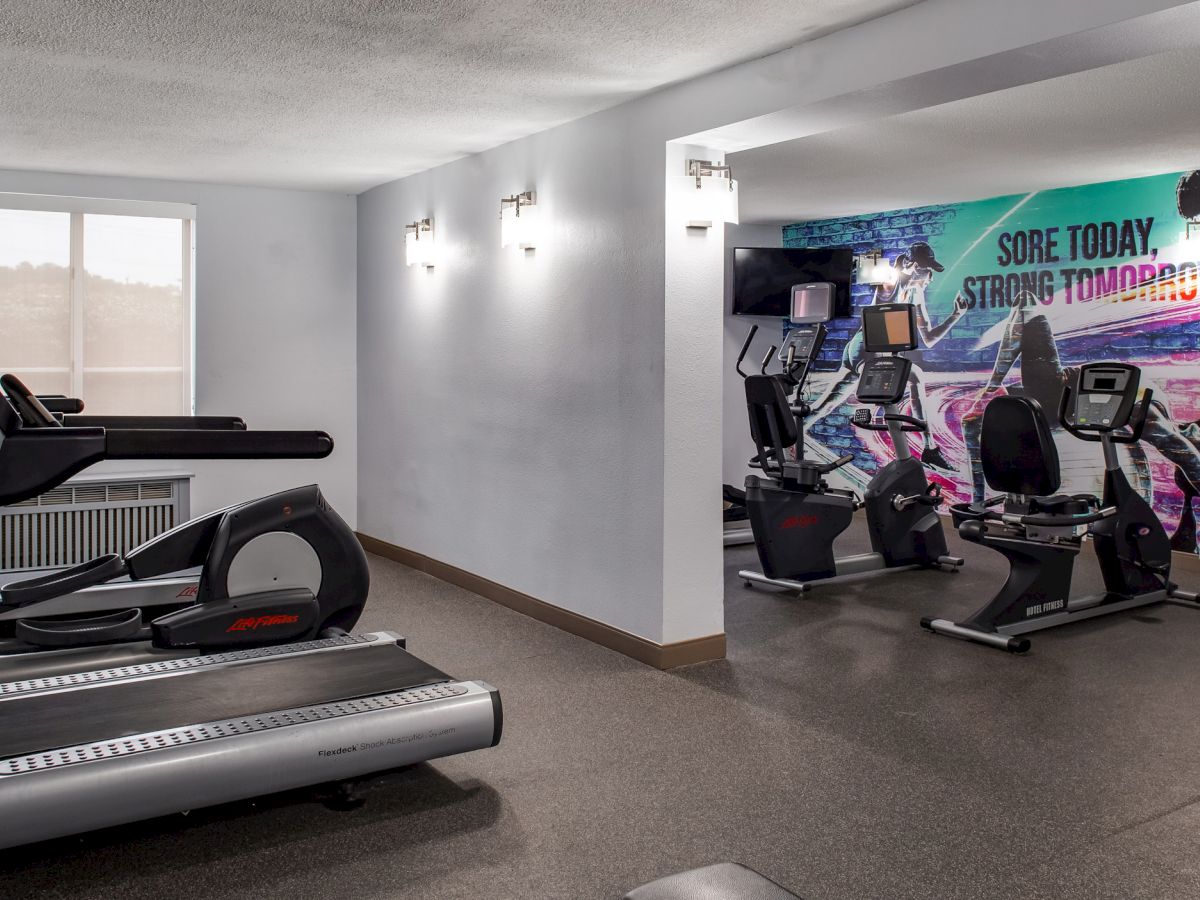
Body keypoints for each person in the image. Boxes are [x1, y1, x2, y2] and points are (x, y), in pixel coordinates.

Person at [962, 298, 1200, 553]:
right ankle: (975, 507)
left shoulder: (1147, 410)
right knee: (974, 419)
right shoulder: (1149, 405)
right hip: (1067, 393)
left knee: (974, 418)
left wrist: (991, 386)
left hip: (1066, 397)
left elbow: (1181, 450)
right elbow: (1180, 449)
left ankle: (975, 506)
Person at [809, 240, 967, 471]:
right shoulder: (893, 281)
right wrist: (899, 269)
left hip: (875, 352)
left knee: (824, 406)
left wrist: (956, 315)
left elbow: (930, 338)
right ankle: (930, 448)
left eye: (930, 271)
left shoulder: (917, 296)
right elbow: (889, 283)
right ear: (912, 265)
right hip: (866, 348)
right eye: (925, 269)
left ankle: (794, 435)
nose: (929, 276)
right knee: (915, 376)